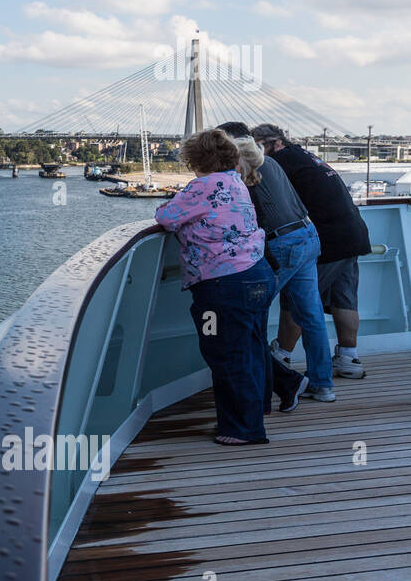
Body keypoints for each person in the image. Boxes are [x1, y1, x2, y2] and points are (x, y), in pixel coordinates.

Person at [156, 128, 275, 445]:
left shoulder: (202, 186)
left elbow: (166, 217)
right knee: (252, 348)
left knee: (225, 354)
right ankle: (256, 412)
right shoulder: (235, 181)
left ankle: (243, 429)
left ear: (193, 159)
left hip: (223, 284)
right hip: (258, 274)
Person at [217, 122, 333, 405]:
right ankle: (323, 385)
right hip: (307, 234)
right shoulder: (270, 160)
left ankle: (272, 383)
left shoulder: (242, 166)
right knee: (312, 316)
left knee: (251, 314)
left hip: (282, 243)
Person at [251, 124, 371, 379]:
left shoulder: (278, 163)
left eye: (257, 146)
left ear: (272, 143)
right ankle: (348, 358)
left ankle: (281, 354)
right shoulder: (304, 156)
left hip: (327, 236)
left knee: (298, 298)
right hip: (352, 231)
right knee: (343, 298)